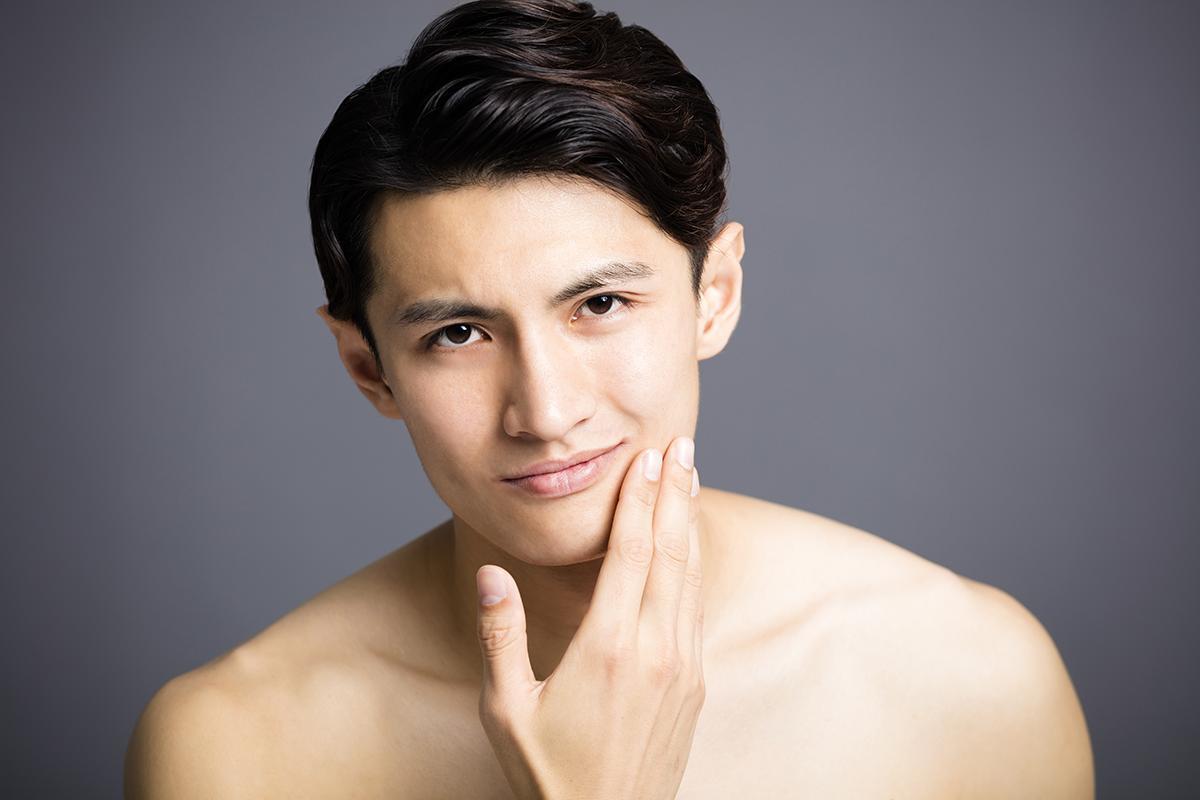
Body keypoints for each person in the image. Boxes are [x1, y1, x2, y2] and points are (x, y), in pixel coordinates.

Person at [124, 0, 1094, 797]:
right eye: (458, 333)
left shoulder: (966, 678)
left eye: (599, 302)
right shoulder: (234, 750)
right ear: (369, 367)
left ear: (715, 295)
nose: (543, 410)